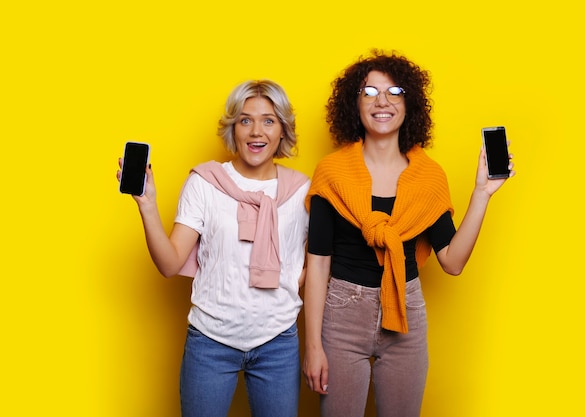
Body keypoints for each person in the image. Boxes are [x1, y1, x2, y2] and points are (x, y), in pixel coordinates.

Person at [302, 50, 515, 416]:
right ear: (353, 104)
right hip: (342, 315)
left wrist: (482, 194)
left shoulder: (429, 177)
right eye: (369, 92)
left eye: (394, 91)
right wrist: (314, 346)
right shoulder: (331, 173)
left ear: (408, 103)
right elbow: (318, 263)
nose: (381, 101)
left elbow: (452, 261)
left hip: (406, 314)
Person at [117, 80, 310, 417]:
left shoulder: (301, 191)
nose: (256, 131)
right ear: (233, 128)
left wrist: (293, 281)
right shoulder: (205, 183)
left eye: (268, 120)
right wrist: (147, 205)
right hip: (210, 340)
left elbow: (317, 262)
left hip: (278, 342)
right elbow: (170, 263)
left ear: (283, 130)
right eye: (245, 120)